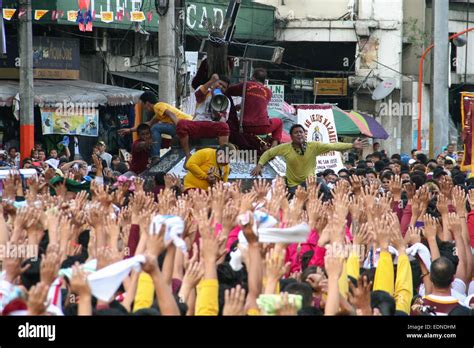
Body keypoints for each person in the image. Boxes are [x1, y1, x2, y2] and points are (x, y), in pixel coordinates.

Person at [251, 124, 368, 193]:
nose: (299, 134)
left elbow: (333, 145)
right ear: (291, 136)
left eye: (301, 132)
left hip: (311, 183)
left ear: (305, 134)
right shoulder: (284, 148)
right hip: (294, 187)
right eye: (296, 133)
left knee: (321, 183)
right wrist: (259, 165)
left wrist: (352, 145)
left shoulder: (314, 146)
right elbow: (269, 153)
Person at [118, 92, 193, 166]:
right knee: (155, 126)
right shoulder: (158, 113)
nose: (144, 109)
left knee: (155, 128)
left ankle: (155, 156)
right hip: (188, 125)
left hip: (186, 125)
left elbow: (171, 114)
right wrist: (130, 130)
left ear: (147, 103)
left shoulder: (158, 106)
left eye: (143, 106)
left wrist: (179, 129)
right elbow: (148, 124)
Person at [176, 74, 231, 162]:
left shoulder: (225, 100)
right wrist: (211, 82)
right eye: (219, 84)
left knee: (225, 127)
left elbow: (223, 121)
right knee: (181, 124)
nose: (220, 87)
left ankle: (222, 156)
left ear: (225, 90)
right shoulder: (205, 90)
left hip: (211, 126)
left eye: (223, 87)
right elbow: (198, 96)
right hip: (197, 123)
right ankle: (187, 155)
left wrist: (217, 113)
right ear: (215, 82)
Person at [226, 68, 283, 148]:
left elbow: (228, 91)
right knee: (279, 122)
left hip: (245, 126)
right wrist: (240, 106)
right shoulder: (268, 92)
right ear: (264, 80)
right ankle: (274, 148)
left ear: (253, 77)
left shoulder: (247, 85)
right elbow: (257, 103)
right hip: (262, 126)